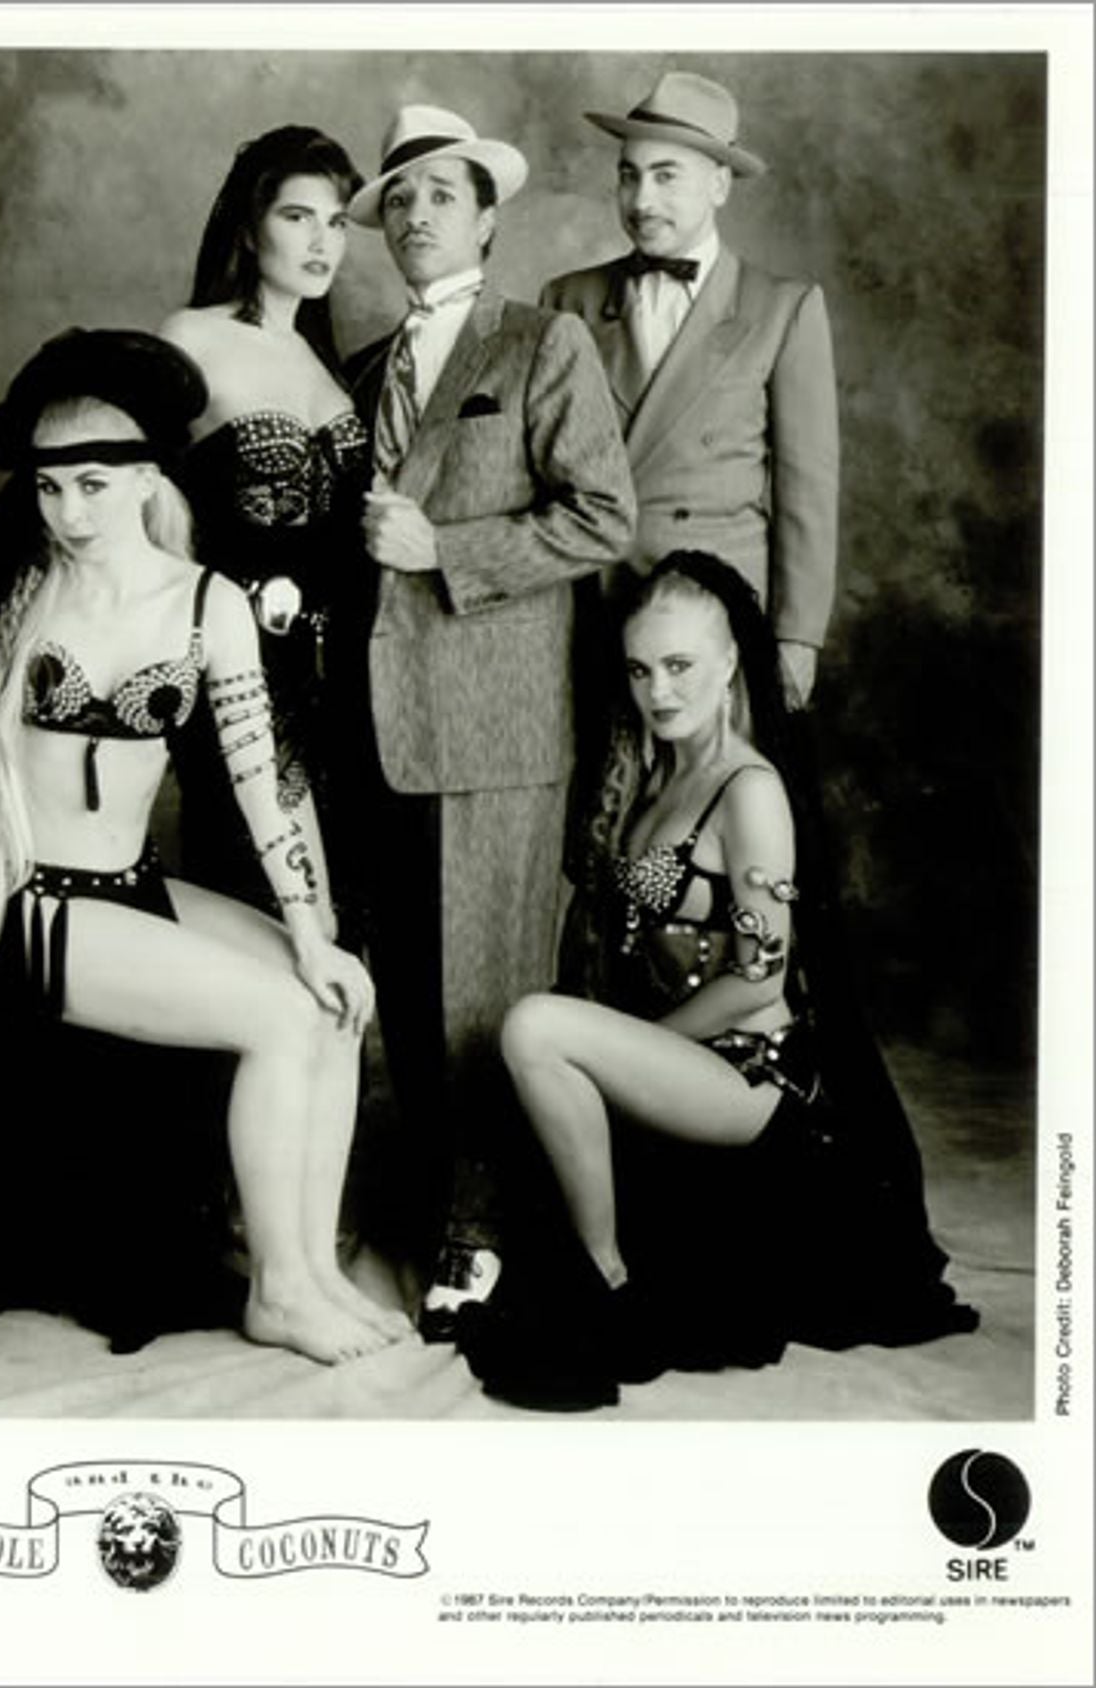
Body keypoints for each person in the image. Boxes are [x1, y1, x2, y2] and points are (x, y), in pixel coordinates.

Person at [0, 328, 404, 1367]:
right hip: (28, 906)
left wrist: (312, 933)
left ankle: (312, 1269)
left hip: (126, 888)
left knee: (331, 996)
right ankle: (279, 1290)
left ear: (148, 477)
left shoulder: (207, 603)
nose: (69, 514)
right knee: (282, 1017)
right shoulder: (23, 595)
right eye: (51, 489)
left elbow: (265, 783)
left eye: (94, 486)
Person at [456, 551, 978, 1409]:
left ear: (731, 660)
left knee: (535, 1027)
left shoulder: (750, 790)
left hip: (752, 1078)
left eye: (680, 666)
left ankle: (608, 1276)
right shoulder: (660, 770)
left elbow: (761, 981)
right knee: (529, 1051)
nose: (658, 691)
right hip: (688, 1062)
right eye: (640, 670)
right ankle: (598, 1259)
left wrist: (637, 1047)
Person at [341, 104, 637, 1334]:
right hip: (380, 725)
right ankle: (425, 1198)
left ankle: (481, 1229)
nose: (416, 216)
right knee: (409, 991)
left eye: (440, 196)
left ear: (486, 220)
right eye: (398, 200)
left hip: (498, 725)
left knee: (483, 990)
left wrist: (444, 549)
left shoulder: (539, 342)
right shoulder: (362, 368)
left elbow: (601, 517)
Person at [541, 70, 838, 708]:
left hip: (716, 615)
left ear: (719, 184)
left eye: (666, 175)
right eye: (629, 175)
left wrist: (797, 637)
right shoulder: (567, 300)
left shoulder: (782, 307)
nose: (641, 199)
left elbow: (807, 490)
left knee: (713, 770)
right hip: (593, 607)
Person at [159, 127, 369, 924]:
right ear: (248, 230)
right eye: (297, 217)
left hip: (338, 674)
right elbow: (152, 515)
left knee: (340, 907)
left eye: (337, 222)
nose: (322, 241)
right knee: (265, 905)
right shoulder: (191, 338)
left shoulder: (330, 366)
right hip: (241, 666)